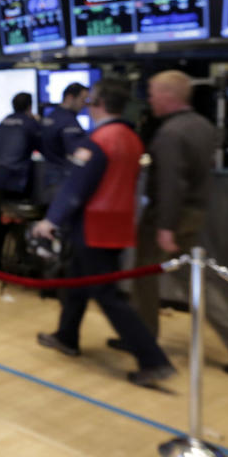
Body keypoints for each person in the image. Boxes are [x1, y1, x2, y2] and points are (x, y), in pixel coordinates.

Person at [32, 78, 176, 387]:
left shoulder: (98, 141)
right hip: (119, 225)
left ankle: (153, 360)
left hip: (93, 227)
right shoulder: (132, 139)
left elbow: (76, 188)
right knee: (76, 280)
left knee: (107, 295)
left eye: (89, 101)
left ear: (97, 104)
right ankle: (66, 336)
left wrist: (50, 221)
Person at [119, 70, 228, 375]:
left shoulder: (170, 134)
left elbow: (171, 183)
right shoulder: (203, 126)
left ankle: (145, 341)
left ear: (170, 96)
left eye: (154, 92)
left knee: (144, 276)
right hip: (193, 213)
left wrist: (165, 227)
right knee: (193, 278)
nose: (150, 98)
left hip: (167, 217)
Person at [0, 92, 41, 271]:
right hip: (12, 178)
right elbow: (43, 145)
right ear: (30, 106)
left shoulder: (4, 120)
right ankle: (22, 261)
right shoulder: (30, 123)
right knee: (11, 222)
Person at [39, 82, 89, 204]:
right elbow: (77, 154)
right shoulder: (68, 121)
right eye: (82, 100)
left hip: (49, 176)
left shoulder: (51, 116)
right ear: (70, 98)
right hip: (62, 178)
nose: (85, 104)